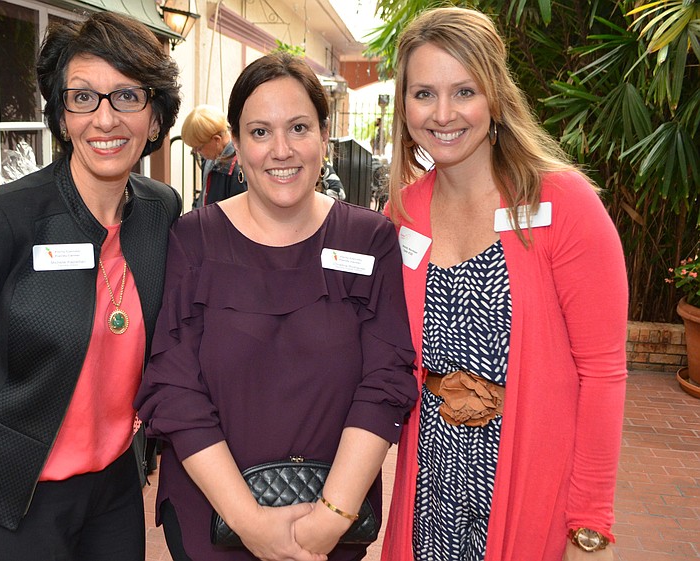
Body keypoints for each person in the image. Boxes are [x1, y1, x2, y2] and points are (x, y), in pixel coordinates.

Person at [0, 12, 181, 561]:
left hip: (115, 493)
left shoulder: (160, 211)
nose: (105, 119)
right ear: (60, 113)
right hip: (11, 502)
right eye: (83, 97)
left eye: (127, 96)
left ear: (155, 116)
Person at [135, 52, 418, 561]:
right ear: (237, 146)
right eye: (260, 132)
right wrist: (250, 523)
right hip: (211, 522)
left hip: (333, 523)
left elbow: (386, 382)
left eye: (299, 127)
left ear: (324, 136)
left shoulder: (369, 239)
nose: (281, 150)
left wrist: (328, 521)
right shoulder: (192, 239)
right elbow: (173, 389)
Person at [381, 7, 627, 561]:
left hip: (530, 487)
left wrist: (589, 524)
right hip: (429, 489)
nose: (442, 114)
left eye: (463, 90)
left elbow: (603, 373)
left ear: (494, 96)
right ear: (404, 106)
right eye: (423, 93)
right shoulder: (403, 214)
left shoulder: (563, 203)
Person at [181, 104, 246, 207]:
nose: (197, 152)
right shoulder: (211, 159)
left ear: (216, 140)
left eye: (199, 147)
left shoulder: (238, 171)